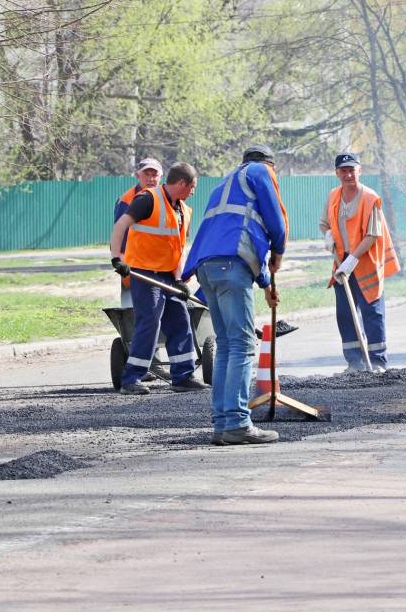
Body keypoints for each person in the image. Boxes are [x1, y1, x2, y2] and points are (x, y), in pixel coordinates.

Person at [183, 145, 288, 446]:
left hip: (209, 268)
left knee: (227, 344)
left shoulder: (224, 185)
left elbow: (237, 232)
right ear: (270, 164)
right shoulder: (259, 172)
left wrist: (266, 281)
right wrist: (278, 251)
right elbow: (275, 220)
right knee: (242, 344)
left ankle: (223, 422)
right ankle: (238, 423)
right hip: (231, 266)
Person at [110, 162, 202, 395]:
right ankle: (131, 378)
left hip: (169, 276)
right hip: (143, 273)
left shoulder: (183, 210)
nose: (193, 191)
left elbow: (179, 248)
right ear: (181, 183)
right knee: (150, 321)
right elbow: (121, 225)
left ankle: (183, 376)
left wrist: (180, 279)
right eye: (192, 186)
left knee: (180, 320)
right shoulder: (148, 199)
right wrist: (116, 259)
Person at [319, 152, 400, 372]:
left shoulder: (370, 198)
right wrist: (328, 237)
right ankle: (355, 362)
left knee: (372, 312)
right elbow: (324, 223)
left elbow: (373, 235)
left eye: (351, 170)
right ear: (337, 173)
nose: (348, 174)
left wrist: (352, 259)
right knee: (345, 314)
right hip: (341, 261)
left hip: (366, 261)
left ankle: (378, 362)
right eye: (343, 170)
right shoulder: (333, 196)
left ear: (359, 171)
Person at [114, 158, 162, 307]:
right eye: (146, 174)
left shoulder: (166, 199)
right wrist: (123, 265)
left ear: (161, 176)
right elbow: (120, 236)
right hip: (134, 268)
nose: (151, 178)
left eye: (154, 175)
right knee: (132, 310)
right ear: (137, 175)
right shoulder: (127, 201)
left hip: (159, 266)